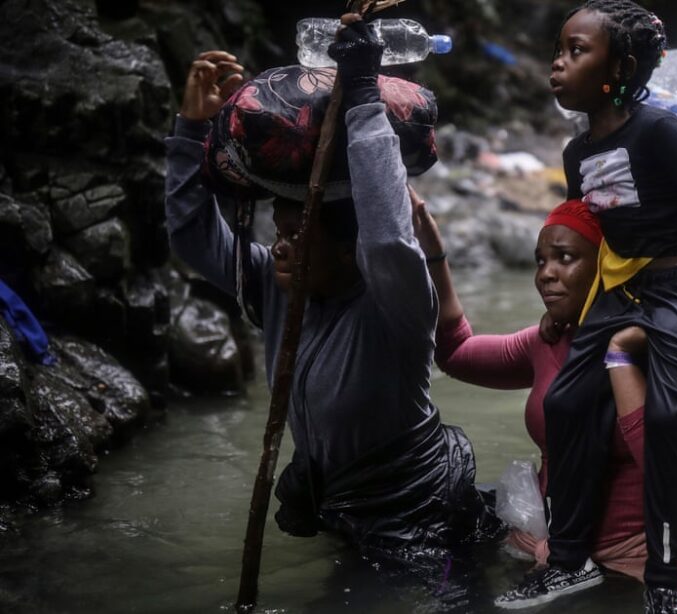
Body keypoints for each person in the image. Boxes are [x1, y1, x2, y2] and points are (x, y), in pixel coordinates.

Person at [165, 24, 498, 580]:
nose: (281, 243)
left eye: (300, 232)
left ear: (351, 251)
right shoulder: (274, 288)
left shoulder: (394, 304)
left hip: (417, 507)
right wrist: (191, 129)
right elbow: (192, 237)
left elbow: (389, 235)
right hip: (339, 497)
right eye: (280, 228)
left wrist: (365, 95)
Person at [498, 2, 677, 612]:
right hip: (620, 293)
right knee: (566, 401)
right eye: (559, 50)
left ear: (621, 65)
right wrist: (567, 307)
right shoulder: (575, 153)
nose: (558, 63)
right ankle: (567, 562)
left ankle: (666, 584)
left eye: (576, 51)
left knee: (670, 420)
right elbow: (583, 235)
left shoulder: (659, 131)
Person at [412, 196, 677, 585]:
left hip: (643, 560)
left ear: (608, 267)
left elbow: (669, 469)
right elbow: (456, 354)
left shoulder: (669, 344)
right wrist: (434, 255)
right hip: (551, 551)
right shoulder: (547, 341)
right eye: (540, 260)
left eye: (565, 258)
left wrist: (620, 356)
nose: (546, 274)